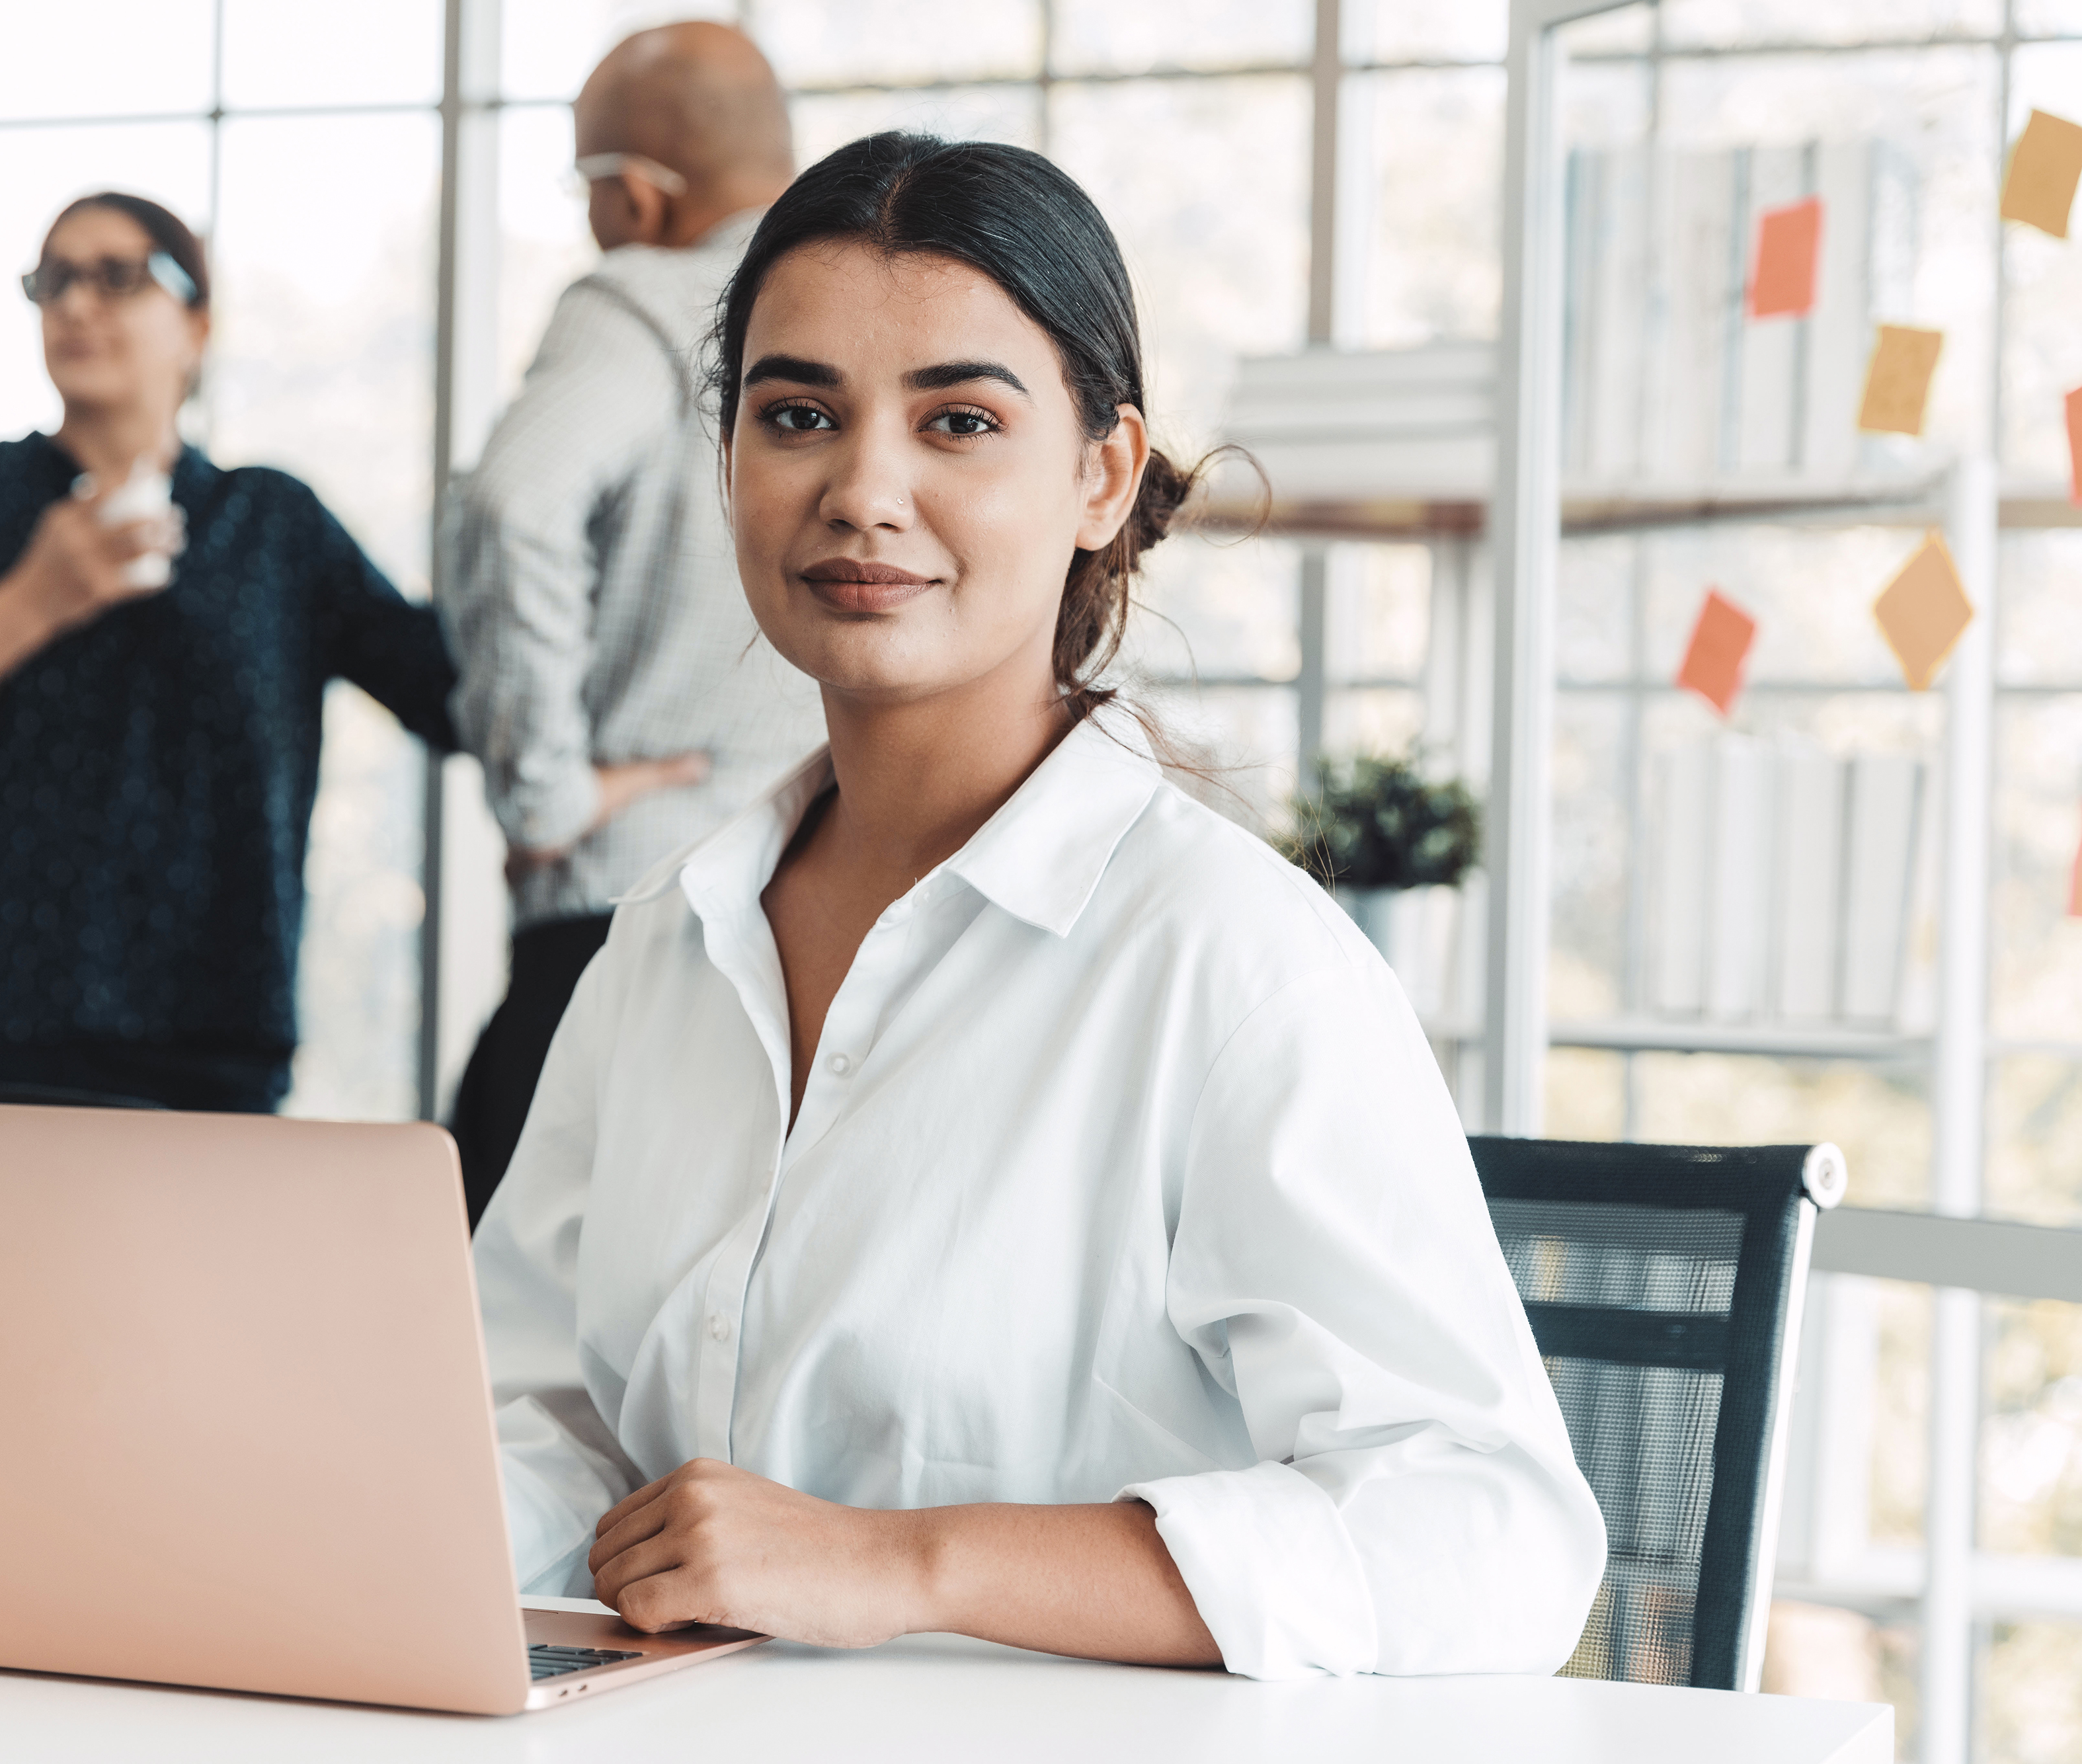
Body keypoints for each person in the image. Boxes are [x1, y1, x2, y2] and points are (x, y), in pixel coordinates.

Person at [472, 134, 1608, 1679]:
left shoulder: (1234, 966)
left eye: (958, 420)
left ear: (1100, 476)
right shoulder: (665, 943)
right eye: (796, 413)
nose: (862, 490)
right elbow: (539, 1406)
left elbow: (1486, 1540)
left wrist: (905, 1560)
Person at [0, 193, 456, 1115]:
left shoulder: (273, 527)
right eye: (53, 279)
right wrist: (29, 603)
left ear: (199, 324)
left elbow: (459, 696)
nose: (75, 305)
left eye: (118, 277)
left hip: (203, 1052)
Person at [444, 22, 823, 1221]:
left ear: (643, 196)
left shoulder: (649, 299)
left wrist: (546, 790)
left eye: (586, 189)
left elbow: (518, 499)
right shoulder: (850, 319)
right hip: (810, 930)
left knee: (475, 1349)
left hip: (618, 912)